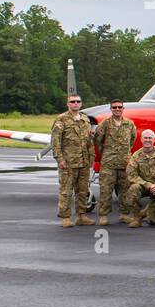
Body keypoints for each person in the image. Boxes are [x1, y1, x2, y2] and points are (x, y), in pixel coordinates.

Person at [50, 92, 95, 228]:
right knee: (66, 190)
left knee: (82, 190)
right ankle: (65, 217)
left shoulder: (85, 119)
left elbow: (89, 141)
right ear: (68, 104)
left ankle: (81, 216)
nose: (76, 104)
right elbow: (55, 141)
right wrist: (60, 159)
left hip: (84, 162)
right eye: (73, 101)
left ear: (81, 104)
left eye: (78, 101)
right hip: (68, 162)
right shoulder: (61, 119)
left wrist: (91, 158)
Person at [93, 98, 137, 226]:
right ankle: (103, 216)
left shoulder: (129, 124)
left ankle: (124, 214)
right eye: (114, 107)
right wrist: (107, 153)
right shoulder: (105, 124)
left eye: (119, 107)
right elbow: (98, 141)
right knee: (106, 190)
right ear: (111, 109)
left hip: (124, 162)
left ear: (123, 109)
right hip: (109, 164)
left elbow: (132, 140)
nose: (117, 109)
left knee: (125, 190)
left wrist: (124, 153)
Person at [124, 130, 155, 227]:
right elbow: (131, 174)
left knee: (154, 221)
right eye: (145, 138)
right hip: (144, 186)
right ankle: (136, 218)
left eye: (150, 138)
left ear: (154, 139)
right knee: (133, 189)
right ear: (141, 139)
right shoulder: (136, 156)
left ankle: (147, 211)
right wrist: (147, 185)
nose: (148, 140)